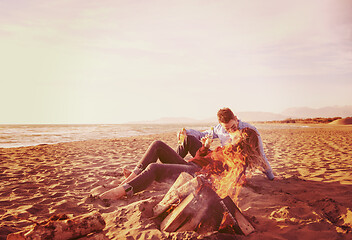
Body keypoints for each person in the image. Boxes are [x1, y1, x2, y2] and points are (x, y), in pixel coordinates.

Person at [98, 109, 273, 201]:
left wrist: (270, 176)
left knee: (154, 168)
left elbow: (219, 172)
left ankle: (122, 191)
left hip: (195, 172)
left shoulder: (235, 159)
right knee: (157, 145)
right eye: (229, 130)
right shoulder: (225, 148)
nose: (231, 133)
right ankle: (133, 177)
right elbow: (201, 156)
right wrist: (204, 148)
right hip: (193, 164)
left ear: (243, 140)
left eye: (234, 132)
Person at [177, 107, 275, 180]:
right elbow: (202, 134)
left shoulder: (249, 130)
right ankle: (174, 163)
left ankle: (176, 168)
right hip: (221, 157)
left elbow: (260, 154)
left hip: (234, 163)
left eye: (232, 126)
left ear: (235, 119)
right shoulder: (219, 129)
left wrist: (271, 177)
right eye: (226, 129)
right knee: (188, 139)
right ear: (221, 125)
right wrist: (186, 131)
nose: (230, 130)